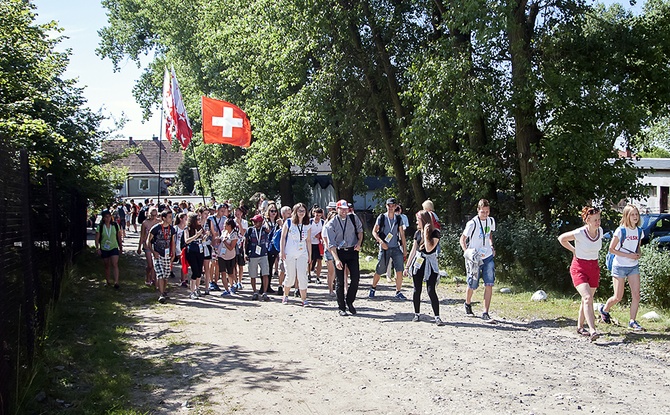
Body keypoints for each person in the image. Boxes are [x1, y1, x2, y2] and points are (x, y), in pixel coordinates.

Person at [558, 206, 603, 341]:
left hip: (593, 267)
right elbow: (562, 238)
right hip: (579, 267)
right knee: (588, 298)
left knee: (586, 299)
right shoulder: (580, 233)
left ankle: (580, 326)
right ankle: (593, 330)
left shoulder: (600, 231)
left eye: (599, 219)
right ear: (587, 220)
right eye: (595, 220)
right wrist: (573, 250)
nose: (597, 223)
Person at [602, 204, 645, 331]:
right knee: (618, 296)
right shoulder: (621, 230)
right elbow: (611, 249)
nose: (635, 217)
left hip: (633, 266)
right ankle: (605, 309)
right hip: (619, 266)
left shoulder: (639, 231)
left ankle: (632, 321)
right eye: (632, 214)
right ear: (626, 216)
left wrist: (638, 254)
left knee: (636, 295)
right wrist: (628, 255)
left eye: (636, 214)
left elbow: (637, 246)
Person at [325, 199, 364, 316]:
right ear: (337, 210)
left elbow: (360, 231)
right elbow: (331, 244)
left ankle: (350, 301)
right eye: (341, 209)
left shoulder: (353, 218)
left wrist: (359, 243)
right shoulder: (331, 224)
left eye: (345, 209)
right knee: (340, 281)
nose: (343, 211)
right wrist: (336, 260)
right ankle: (341, 307)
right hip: (339, 252)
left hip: (352, 251)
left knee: (356, 278)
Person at [460, 199, 496, 321]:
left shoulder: (490, 221)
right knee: (473, 283)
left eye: (487, 212)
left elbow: (489, 233)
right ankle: (468, 303)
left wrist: (491, 245)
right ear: (478, 210)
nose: (485, 215)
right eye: (483, 212)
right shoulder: (472, 223)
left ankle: (485, 312)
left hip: (488, 256)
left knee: (489, 283)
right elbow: (462, 239)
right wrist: (466, 252)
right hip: (474, 257)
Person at [405, 210, 443, 325]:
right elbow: (414, 249)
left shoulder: (435, 233)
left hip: (430, 263)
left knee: (431, 290)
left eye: (418, 220)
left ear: (424, 221)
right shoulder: (417, 233)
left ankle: (437, 316)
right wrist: (407, 266)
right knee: (417, 289)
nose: (416, 222)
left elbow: (429, 248)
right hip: (419, 261)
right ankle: (416, 314)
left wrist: (426, 234)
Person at [369, 197, 407, 300]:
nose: (390, 208)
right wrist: (381, 242)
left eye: (393, 206)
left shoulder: (398, 219)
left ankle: (398, 291)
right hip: (384, 248)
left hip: (395, 247)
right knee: (380, 269)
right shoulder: (381, 217)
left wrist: (405, 249)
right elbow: (374, 231)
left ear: (396, 207)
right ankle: (373, 288)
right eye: (389, 206)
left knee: (399, 269)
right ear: (386, 206)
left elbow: (402, 234)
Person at [279, 203, 312, 306]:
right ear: (295, 212)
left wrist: (310, 255)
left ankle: (304, 299)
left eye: (303, 211)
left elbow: (309, 240)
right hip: (290, 253)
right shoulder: (288, 222)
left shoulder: (308, 224)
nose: (301, 213)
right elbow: (283, 237)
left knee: (302, 276)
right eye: (299, 211)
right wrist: (282, 251)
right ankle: (286, 295)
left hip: (302, 253)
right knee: (291, 276)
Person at [146, 209, 176, 304]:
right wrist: (153, 252)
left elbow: (173, 242)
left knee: (166, 275)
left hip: (167, 254)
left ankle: (164, 290)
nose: (171, 219)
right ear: (164, 218)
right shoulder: (156, 228)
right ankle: (161, 294)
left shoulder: (172, 229)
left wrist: (173, 254)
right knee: (160, 274)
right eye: (169, 217)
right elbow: (148, 241)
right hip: (157, 254)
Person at [95, 209, 122, 289]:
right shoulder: (100, 227)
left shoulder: (115, 225)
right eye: (106, 217)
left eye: (109, 216)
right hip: (104, 248)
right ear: (103, 218)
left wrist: (120, 247)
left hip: (114, 247)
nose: (108, 218)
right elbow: (97, 238)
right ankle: (108, 281)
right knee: (107, 265)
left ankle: (117, 282)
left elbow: (119, 236)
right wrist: (97, 248)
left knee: (115, 264)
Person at [246, 214, 271, 301]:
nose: (254, 223)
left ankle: (264, 292)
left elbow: (269, 229)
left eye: (256, 221)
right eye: (253, 221)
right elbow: (245, 242)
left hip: (263, 254)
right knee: (253, 275)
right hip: (253, 255)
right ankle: (255, 292)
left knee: (265, 273)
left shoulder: (264, 230)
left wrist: (265, 221)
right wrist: (245, 253)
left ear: (260, 222)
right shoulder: (250, 230)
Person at [183, 212, 205, 299]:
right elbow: (186, 241)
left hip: (200, 250)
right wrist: (196, 236)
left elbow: (201, 239)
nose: (199, 221)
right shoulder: (187, 229)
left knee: (199, 271)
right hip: (191, 251)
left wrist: (204, 237)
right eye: (198, 219)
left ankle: (197, 288)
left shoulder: (200, 228)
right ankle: (191, 292)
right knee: (195, 271)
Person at [137, 207, 159, 286]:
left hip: (156, 245)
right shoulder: (145, 223)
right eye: (152, 215)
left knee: (154, 264)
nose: (154, 217)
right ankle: (147, 275)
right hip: (147, 245)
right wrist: (139, 247)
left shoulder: (159, 222)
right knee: (150, 265)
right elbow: (142, 236)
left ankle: (153, 279)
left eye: (155, 215)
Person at [218, 218, 238, 297]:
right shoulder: (223, 232)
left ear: (229, 226)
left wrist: (225, 241)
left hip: (230, 256)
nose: (224, 226)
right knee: (223, 272)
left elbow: (231, 247)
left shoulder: (234, 235)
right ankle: (226, 290)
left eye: (225, 225)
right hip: (221, 255)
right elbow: (220, 240)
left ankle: (234, 284)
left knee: (230, 273)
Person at [322, 210, 338, 296]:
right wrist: (330, 249)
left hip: (337, 249)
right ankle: (330, 289)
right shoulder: (326, 226)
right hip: (329, 250)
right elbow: (325, 239)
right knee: (331, 271)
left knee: (336, 271)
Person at [309, 207, 325, 284]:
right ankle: (309, 275)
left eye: (319, 215)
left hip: (319, 244)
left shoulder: (323, 222)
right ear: (313, 213)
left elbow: (324, 232)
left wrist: (320, 235)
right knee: (310, 260)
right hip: (310, 243)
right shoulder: (309, 222)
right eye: (316, 214)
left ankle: (317, 277)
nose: (317, 216)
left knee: (319, 260)